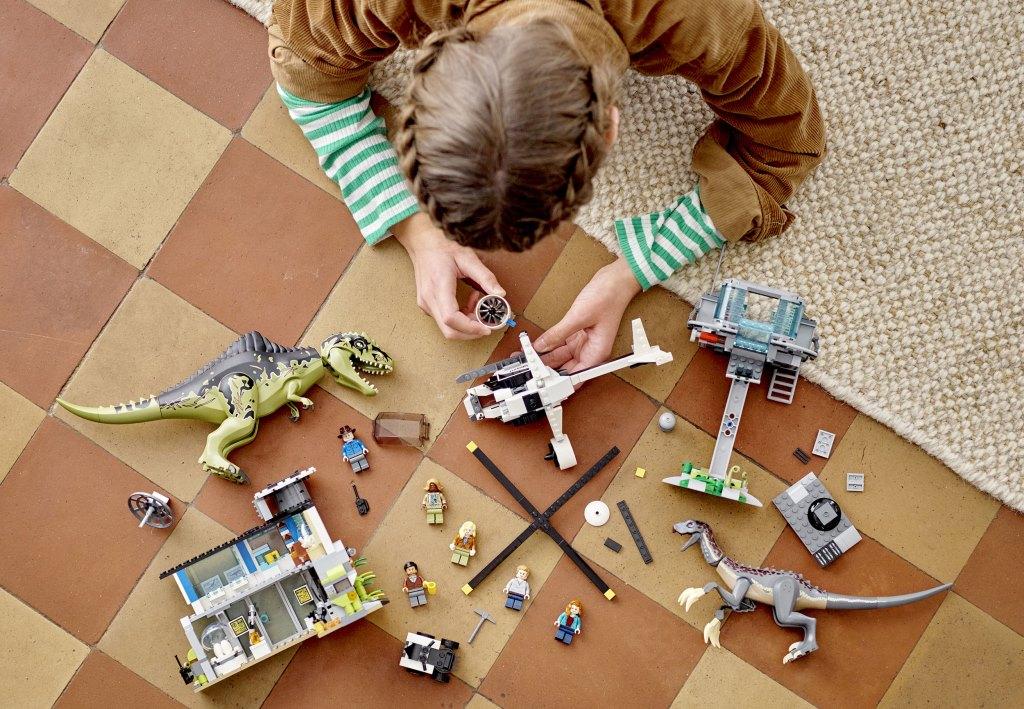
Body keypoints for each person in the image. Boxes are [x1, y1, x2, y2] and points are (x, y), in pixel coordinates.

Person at [268, 0, 825, 370]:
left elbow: (788, 147)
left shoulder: (701, 16)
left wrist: (634, 270)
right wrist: (414, 227)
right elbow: (304, 68)